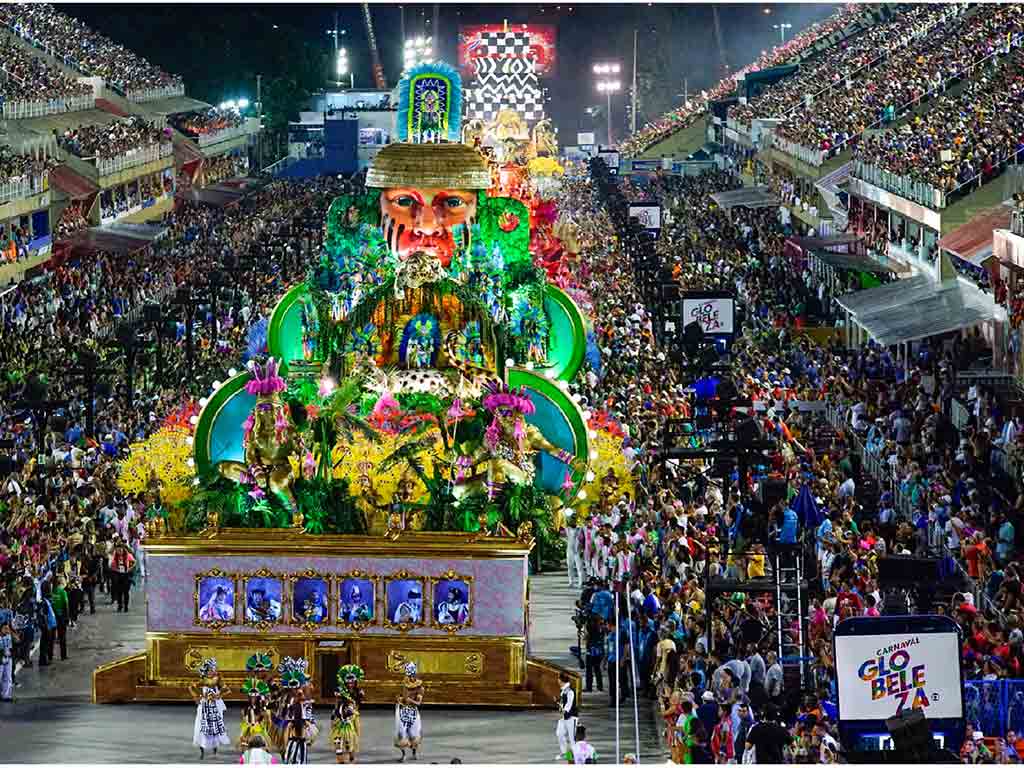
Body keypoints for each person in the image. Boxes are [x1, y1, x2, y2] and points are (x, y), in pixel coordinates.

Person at [191, 658, 230, 759]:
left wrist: (218, 695)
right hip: (204, 706)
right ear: (207, 669)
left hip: (216, 706)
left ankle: (215, 750)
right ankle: (202, 750)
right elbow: (191, 687)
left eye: (214, 669)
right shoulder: (203, 679)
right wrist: (197, 696)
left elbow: (226, 690)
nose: (213, 671)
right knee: (202, 725)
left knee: (216, 726)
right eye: (211, 669)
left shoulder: (218, 679)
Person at [331, 664, 365, 764]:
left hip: (352, 717)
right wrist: (335, 713)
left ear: (355, 681)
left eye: (352, 681)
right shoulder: (340, 690)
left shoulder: (358, 692)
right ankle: (340, 759)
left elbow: (358, 705)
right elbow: (337, 703)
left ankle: (351, 755)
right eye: (348, 681)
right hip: (340, 715)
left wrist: (353, 712)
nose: (350, 683)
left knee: (350, 739)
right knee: (337, 739)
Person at [394, 662, 424, 762]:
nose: (411, 677)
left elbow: (419, 703)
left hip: (413, 712)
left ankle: (414, 753)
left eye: (412, 675)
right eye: (409, 675)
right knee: (401, 733)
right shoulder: (404, 684)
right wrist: (400, 699)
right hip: (403, 711)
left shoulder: (420, 688)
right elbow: (401, 697)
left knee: (414, 734)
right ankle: (403, 755)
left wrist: (410, 700)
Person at [109, 539, 136, 612]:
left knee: (126, 592)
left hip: (126, 575)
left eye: (120, 550)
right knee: (119, 592)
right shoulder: (115, 556)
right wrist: (115, 569)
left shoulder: (128, 555)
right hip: (118, 575)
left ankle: (126, 606)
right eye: (118, 550)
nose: (119, 551)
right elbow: (111, 565)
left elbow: (134, 562)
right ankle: (120, 605)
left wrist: (130, 568)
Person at [556, 671, 578, 760]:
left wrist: (563, 710)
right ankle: (565, 753)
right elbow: (563, 704)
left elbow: (569, 705)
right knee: (559, 733)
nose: (557, 680)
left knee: (572, 738)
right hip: (564, 717)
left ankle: (575, 756)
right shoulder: (563, 690)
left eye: (558, 679)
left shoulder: (570, 691)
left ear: (561, 680)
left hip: (571, 717)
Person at [50, 575, 70, 662]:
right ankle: (63, 655)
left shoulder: (52, 592)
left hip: (53, 617)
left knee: (51, 637)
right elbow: (66, 605)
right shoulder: (63, 592)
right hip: (61, 616)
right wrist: (67, 617)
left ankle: (50, 656)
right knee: (62, 637)